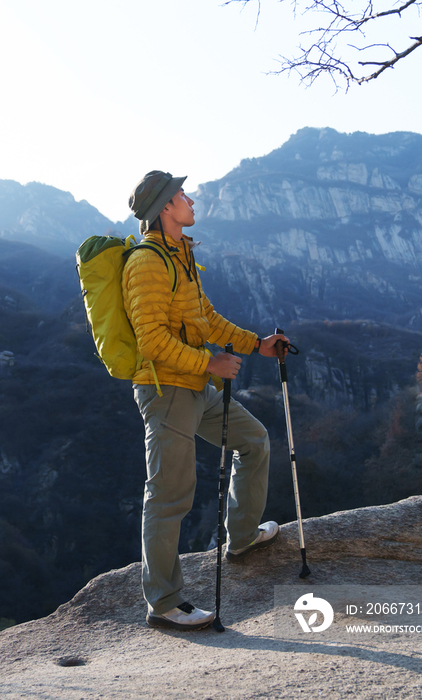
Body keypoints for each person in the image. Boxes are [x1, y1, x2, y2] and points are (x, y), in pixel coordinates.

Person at [123, 170, 288, 631]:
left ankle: (241, 539)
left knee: (254, 440)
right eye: (181, 195)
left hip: (196, 387)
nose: (190, 199)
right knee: (169, 496)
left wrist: (257, 344)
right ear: (164, 210)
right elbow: (151, 340)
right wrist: (209, 366)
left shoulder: (182, 255)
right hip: (166, 391)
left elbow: (207, 320)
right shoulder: (147, 263)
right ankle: (164, 602)